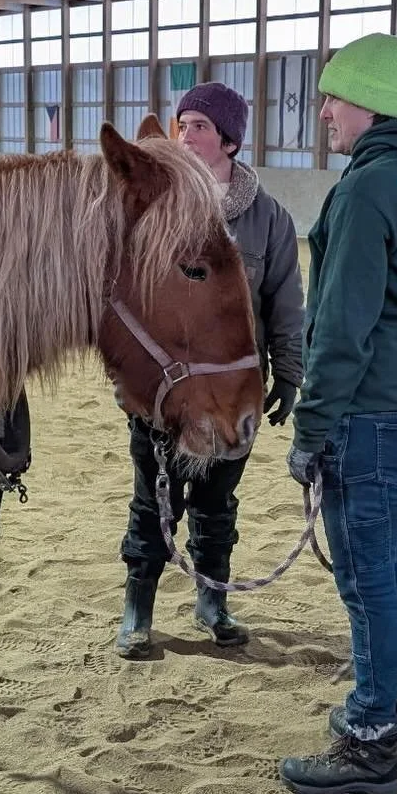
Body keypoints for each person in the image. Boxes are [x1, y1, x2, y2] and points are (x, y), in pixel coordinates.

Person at [280, 33, 397, 794]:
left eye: (335, 96)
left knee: (367, 583)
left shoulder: (366, 190)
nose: (324, 110)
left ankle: (368, 740)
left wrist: (310, 428)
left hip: (375, 413)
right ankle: (390, 715)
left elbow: (340, 330)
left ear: (373, 104)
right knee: (395, 570)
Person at [115, 81, 304, 658]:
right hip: (168, 391)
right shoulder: (157, 207)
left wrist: (289, 372)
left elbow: (285, 300)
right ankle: (137, 609)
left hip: (234, 387)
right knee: (154, 498)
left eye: (198, 125)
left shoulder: (269, 219)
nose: (185, 134)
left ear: (228, 140)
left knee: (217, 501)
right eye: (181, 124)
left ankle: (212, 599)